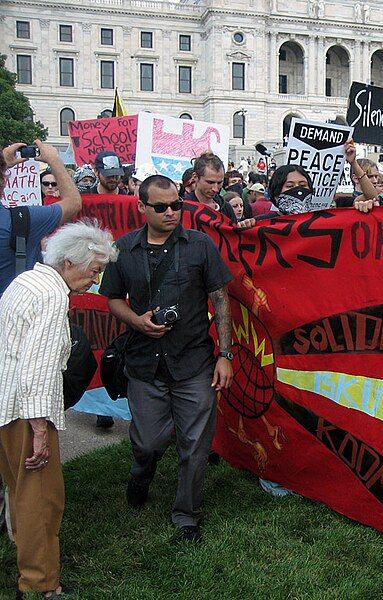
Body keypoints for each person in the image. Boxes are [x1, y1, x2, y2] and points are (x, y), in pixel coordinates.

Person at [99, 174, 234, 542]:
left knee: (195, 444)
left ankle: (186, 514)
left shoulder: (200, 245)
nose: (172, 212)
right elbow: (111, 298)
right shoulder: (124, 249)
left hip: (194, 361)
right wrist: (136, 321)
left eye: (177, 204)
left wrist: (225, 354)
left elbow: (221, 299)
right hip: (145, 363)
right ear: (142, 207)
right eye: (161, 207)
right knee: (147, 442)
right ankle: (141, 471)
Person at [0, 219, 117, 599]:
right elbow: (39, 368)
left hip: (7, 405)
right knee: (41, 500)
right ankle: (39, 585)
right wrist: (39, 431)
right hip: (25, 411)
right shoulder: (52, 296)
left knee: (20, 493)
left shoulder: (26, 281)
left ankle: (32, 565)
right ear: (69, 262)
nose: (96, 281)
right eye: (94, 270)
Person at [1, 141, 83, 294]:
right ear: (4, 182)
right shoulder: (22, 220)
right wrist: (54, 160)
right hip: (12, 313)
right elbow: (73, 203)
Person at [183, 152, 238, 223]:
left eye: (219, 183)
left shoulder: (226, 208)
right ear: (195, 177)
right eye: (210, 182)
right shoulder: (183, 208)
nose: (215, 189)